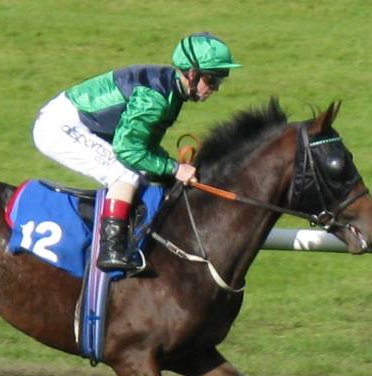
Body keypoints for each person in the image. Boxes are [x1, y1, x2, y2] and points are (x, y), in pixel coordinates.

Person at [32, 32, 241, 271]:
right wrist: (174, 168)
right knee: (125, 173)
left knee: (143, 172)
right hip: (59, 127)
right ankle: (111, 250)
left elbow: (144, 145)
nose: (215, 88)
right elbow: (127, 149)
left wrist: (169, 167)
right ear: (192, 74)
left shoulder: (173, 92)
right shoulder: (155, 98)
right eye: (212, 80)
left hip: (81, 123)